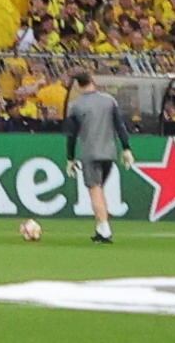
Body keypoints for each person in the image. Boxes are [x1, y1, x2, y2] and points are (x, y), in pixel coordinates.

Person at [64, 68, 124, 244]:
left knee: (95, 190)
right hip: (110, 153)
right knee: (99, 189)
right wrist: (126, 148)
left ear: (77, 85)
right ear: (93, 81)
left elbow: (71, 134)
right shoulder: (109, 100)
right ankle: (100, 228)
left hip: (90, 152)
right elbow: (120, 125)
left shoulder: (76, 105)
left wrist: (70, 158)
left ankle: (105, 229)